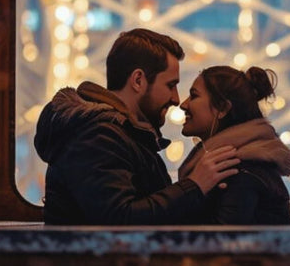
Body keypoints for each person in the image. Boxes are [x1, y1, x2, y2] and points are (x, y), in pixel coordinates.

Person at [34, 28, 240, 225]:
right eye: (170, 85)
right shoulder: (98, 136)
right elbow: (120, 222)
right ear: (138, 80)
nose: (176, 99)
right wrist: (194, 186)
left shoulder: (124, 135)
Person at [178, 66, 290, 224]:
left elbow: (219, 243)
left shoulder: (237, 171)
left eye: (194, 96)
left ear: (222, 108)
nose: (183, 104)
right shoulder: (231, 163)